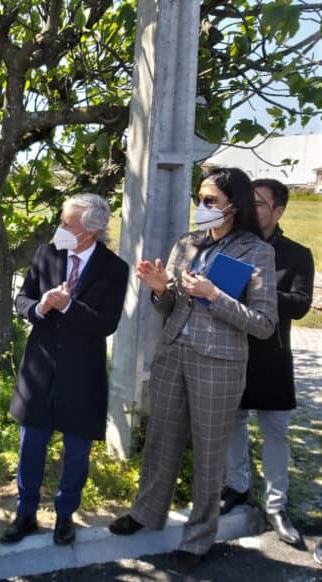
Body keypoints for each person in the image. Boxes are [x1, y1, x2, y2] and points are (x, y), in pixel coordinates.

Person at [109, 167, 278, 573]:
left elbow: (264, 323)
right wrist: (160, 288)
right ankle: (146, 512)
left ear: (233, 207)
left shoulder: (257, 252)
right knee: (161, 442)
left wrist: (215, 295)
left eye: (210, 202)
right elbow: (171, 307)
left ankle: (198, 538)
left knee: (208, 455)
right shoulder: (187, 243)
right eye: (199, 200)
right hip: (174, 355)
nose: (201, 208)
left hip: (219, 366)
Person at [1, 193, 129, 547]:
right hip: (39, 369)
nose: (59, 228)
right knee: (31, 444)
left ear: (90, 232)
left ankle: (64, 515)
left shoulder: (114, 269)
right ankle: (25, 512)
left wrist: (70, 306)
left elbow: (107, 323)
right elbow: (22, 299)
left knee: (76, 450)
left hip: (82, 374)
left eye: (66, 224)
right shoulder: (47, 254)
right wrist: (40, 306)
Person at [221, 179, 314, 546]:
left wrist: (257, 288)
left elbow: (300, 304)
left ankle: (277, 505)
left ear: (278, 211)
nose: (249, 207)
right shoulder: (233, 247)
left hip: (272, 356)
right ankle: (237, 488)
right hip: (232, 351)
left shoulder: (296, 254)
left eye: (258, 203)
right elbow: (221, 294)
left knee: (276, 432)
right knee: (233, 423)